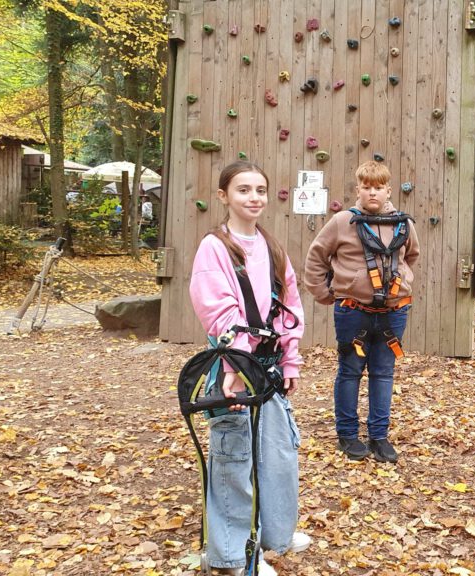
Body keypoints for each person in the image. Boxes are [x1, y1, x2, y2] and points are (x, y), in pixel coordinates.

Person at [189, 161, 311, 575]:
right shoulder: (215, 248)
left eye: (260, 189)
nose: (253, 197)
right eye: (243, 190)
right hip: (233, 370)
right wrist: (234, 369)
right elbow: (220, 313)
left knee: (277, 454)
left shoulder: (272, 246)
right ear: (224, 196)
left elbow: (289, 305)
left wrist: (290, 358)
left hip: (269, 370)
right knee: (234, 461)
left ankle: (275, 534)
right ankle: (231, 554)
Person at [303, 160, 419, 464]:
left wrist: (401, 283)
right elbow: (316, 257)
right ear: (358, 189)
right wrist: (325, 293)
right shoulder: (343, 222)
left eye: (378, 187)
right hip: (352, 311)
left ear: (388, 190)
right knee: (351, 370)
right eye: (366, 187)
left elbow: (412, 257)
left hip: (393, 312)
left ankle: (379, 436)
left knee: (383, 372)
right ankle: (348, 434)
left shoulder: (404, 224)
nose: (372, 193)